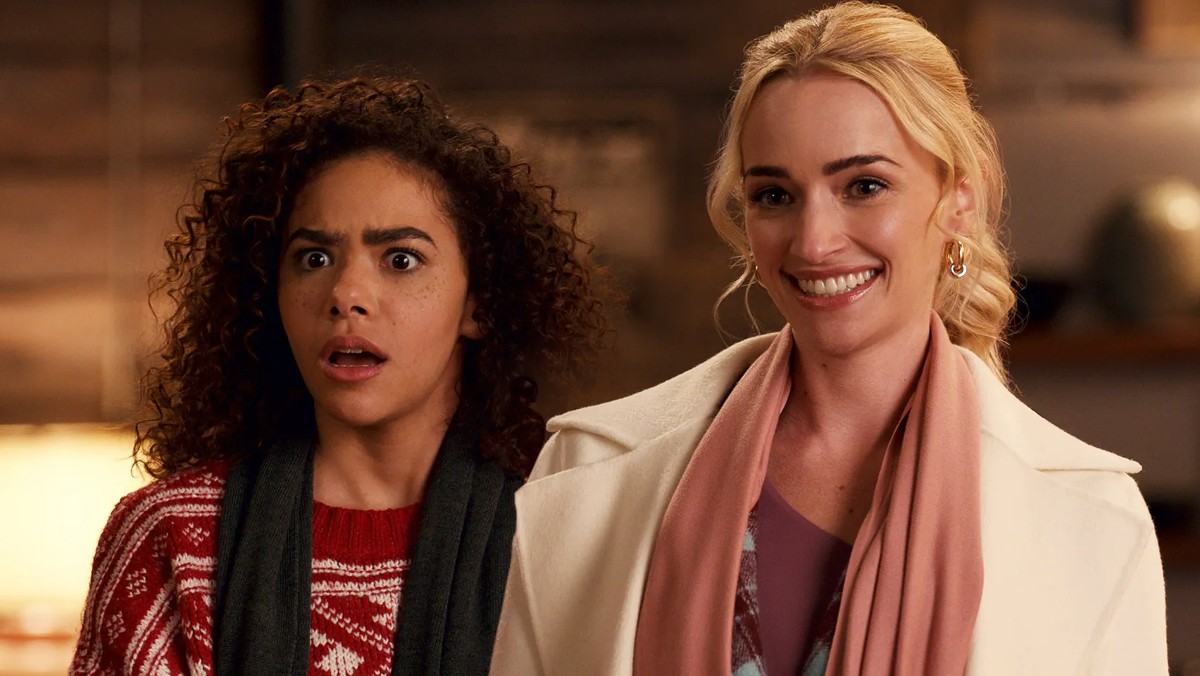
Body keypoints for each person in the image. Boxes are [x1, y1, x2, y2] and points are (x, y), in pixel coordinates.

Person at [489, 3, 1168, 675]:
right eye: (775, 196)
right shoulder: (585, 469)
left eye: (864, 186)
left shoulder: (1094, 520)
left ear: (960, 201)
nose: (814, 242)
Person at [71, 75, 606, 675]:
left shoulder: (570, 532)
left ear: (479, 304)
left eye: (400, 259)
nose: (346, 293)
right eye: (314, 258)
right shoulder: (173, 538)